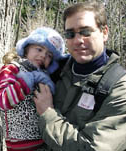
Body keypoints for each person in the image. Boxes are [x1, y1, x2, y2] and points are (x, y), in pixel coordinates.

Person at [33, 1, 126, 151]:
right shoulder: (55, 70)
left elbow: (91, 148)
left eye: (86, 32)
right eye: (70, 34)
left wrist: (47, 113)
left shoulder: (119, 88)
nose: (78, 41)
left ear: (104, 33)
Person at [0, 27, 67, 151]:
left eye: (49, 55)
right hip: (20, 143)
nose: (42, 56)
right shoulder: (13, 69)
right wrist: (26, 82)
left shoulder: (45, 76)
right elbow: (3, 100)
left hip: (45, 141)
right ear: (27, 48)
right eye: (39, 49)